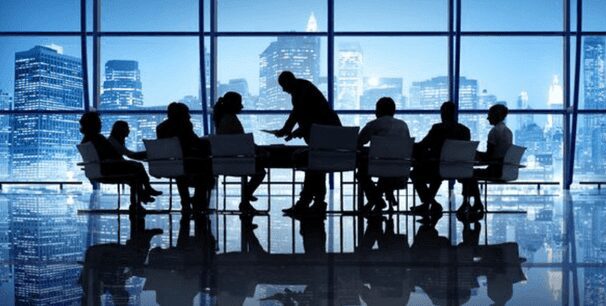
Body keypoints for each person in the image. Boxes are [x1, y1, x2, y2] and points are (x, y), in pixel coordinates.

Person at [272, 71, 342, 214]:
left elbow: (298, 113)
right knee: (316, 167)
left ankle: (307, 202)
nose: (283, 90)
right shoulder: (305, 88)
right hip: (328, 136)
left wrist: (287, 130)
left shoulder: (300, 91)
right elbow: (310, 116)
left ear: (289, 82)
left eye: (283, 86)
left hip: (322, 136)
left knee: (313, 165)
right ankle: (314, 202)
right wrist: (295, 131)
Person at [79, 112, 155, 213]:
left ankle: (139, 201)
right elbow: (113, 154)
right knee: (137, 169)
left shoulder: (86, 140)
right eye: (98, 123)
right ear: (93, 125)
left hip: (100, 170)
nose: (101, 124)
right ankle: (142, 197)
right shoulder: (98, 138)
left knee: (135, 175)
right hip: (108, 170)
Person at [410, 101, 471, 215]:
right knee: (436, 173)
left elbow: (423, 144)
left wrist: (410, 146)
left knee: (415, 173)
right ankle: (428, 204)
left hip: (438, 168)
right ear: (454, 113)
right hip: (459, 169)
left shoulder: (438, 128)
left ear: (442, 113)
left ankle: (431, 203)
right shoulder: (465, 130)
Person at [213, 91, 267, 214]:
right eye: (239, 103)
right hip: (239, 163)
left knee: (258, 167)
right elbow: (242, 142)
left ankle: (246, 197)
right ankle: (245, 198)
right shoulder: (231, 119)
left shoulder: (221, 119)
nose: (241, 106)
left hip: (224, 162)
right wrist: (258, 148)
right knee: (260, 172)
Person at [156, 102, 214, 214]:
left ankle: (186, 202)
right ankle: (198, 200)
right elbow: (193, 142)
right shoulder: (185, 125)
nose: (190, 116)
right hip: (188, 162)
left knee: (181, 173)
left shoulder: (161, 127)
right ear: (182, 114)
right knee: (207, 168)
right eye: (187, 113)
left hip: (170, 164)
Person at [458, 104, 512, 221]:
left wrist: (474, 153)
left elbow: (489, 156)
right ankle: (472, 202)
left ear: (496, 116)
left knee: (467, 174)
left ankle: (473, 202)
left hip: (495, 170)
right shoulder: (508, 131)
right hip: (504, 169)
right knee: (469, 174)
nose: (487, 118)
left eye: (489, 115)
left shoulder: (494, 132)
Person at [357, 97, 410, 213]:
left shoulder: (373, 125)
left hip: (379, 167)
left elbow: (359, 142)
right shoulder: (403, 125)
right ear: (393, 111)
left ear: (378, 110)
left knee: (361, 173)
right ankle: (382, 196)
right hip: (400, 169)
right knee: (386, 169)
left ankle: (376, 200)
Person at [108, 120, 162, 196]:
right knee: (138, 168)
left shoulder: (113, 140)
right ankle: (146, 190)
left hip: (114, 166)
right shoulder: (114, 142)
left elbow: (129, 154)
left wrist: (144, 155)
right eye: (127, 128)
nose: (129, 130)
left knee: (137, 175)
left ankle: (143, 195)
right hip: (115, 168)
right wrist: (146, 154)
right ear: (121, 130)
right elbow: (129, 154)